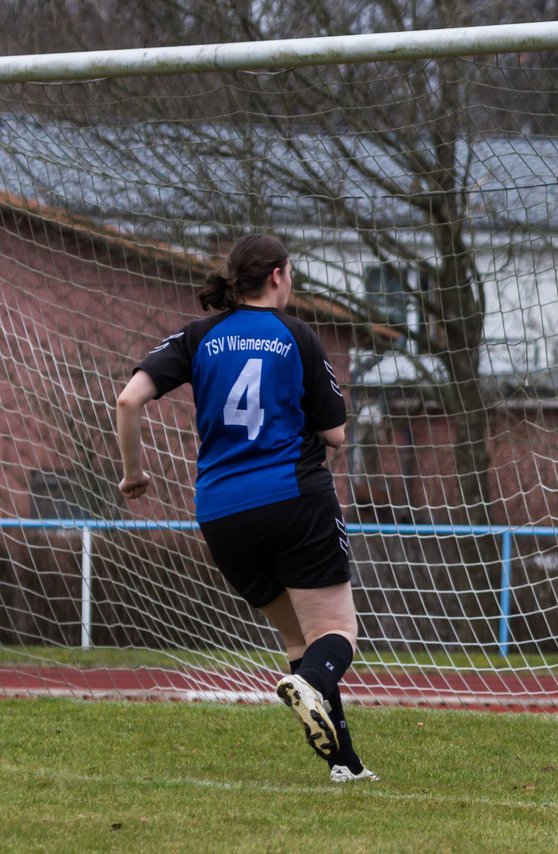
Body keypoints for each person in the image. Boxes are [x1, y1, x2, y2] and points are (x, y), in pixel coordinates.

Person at [115, 234, 376, 783]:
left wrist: (135, 473)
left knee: (299, 641)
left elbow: (129, 399)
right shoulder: (297, 335)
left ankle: (344, 765)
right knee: (335, 631)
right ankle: (310, 686)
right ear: (278, 276)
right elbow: (335, 435)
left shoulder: (198, 336)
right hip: (292, 497)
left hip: (221, 511)